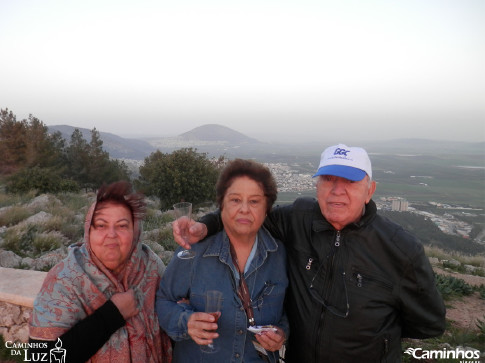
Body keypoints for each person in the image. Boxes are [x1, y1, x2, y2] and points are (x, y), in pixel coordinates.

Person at [173, 144, 446, 363]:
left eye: (350, 181)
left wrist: (376, 337)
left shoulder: (400, 249)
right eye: (328, 179)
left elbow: (428, 323)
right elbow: (246, 214)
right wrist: (204, 226)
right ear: (316, 186)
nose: (337, 190)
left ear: (369, 191)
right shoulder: (299, 218)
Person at [156, 159, 289, 363]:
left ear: (266, 208)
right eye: (235, 200)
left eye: (254, 201)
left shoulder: (279, 255)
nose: (244, 209)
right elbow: (164, 300)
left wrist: (281, 333)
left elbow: (285, 313)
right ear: (221, 205)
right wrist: (186, 321)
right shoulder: (194, 251)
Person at [29, 181, 172, 363]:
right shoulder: (64, 280)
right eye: (101, 225)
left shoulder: (149, 265)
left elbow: (169, 314)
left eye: (121, 226)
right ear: (89, 231)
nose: (111, 234)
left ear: (135, 232)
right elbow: (40, 356)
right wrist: (112, 314)